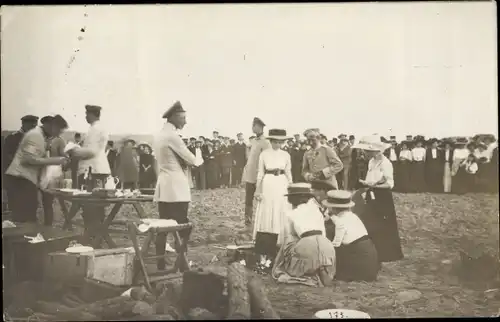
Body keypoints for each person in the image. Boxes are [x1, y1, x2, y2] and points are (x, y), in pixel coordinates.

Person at [153, 101, 203, 270]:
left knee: (163, 226)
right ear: (174, 117)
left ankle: (160, 262)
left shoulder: (159, 134)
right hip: (176, 187)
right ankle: (181, 262)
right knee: (182, 226)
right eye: (183, 118)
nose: (185, 121)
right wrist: (198, 152)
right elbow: (194, 161)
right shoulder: (172, 136)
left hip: (164, 186)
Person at [5, 115, 69, 223]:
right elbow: (29, 159)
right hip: (20, 180)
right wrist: (56, 160)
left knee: (27, 216)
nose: (58, 134)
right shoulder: (36, 136)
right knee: (25, 218)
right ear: (51, 126)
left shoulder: (41, 136)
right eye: (58, 130)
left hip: (24, 180)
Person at [272, 183, 336, 287]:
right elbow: (323, 234)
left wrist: (277, 262)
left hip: (307, 245)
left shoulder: (290, 214)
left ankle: (307, 272)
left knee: (290, 241)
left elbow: (282, 242)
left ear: (291, 199)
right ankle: (320, 268)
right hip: (327, 246)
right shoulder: (317, 211)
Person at [352, 135, 404, 263]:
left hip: (382, 196)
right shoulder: (371, 162)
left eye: (366, 151)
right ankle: (374, 251)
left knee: (383, 223)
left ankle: (387, 253)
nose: (364, 153)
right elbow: (371, 178)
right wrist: (368, 184)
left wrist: (373, 185)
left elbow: (390, 184)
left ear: (375, 150)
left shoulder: (386, 163)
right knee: (370, 221)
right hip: (371, 194)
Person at [323, 190, 379, 282]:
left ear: (333, 208)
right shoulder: (352, 216)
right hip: (369, 252)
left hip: (358, 257)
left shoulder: (339, 222)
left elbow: (336, 244)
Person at [253, 129, 293, 247]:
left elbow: (288, 171)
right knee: (268, 206)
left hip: (282, 182)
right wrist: (257, 189)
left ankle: (281, 237)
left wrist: (291, 184)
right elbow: (260, 172)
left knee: (281, 206)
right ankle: (267, 236)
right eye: (275, 141)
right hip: (268, 182)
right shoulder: (264, 154)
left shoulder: (286, 155)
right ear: (270, 141)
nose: (277, 144)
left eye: (280, 142)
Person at [242, 117, 271, 226]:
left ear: (259, 127)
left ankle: (263, 220)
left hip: (259, 176)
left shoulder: (265, 142)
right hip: (250, 175)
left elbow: (266, 161)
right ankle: (248, 220)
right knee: (248, 199)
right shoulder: (253, 141)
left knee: (261, 199)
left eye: (254, 126)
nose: (252, 128)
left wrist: (262, 175)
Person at [39, 115, 67, 227]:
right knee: (46, 201)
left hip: (54, 172)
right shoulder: (45, 139)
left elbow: (64, 157)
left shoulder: (59, 141)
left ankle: (66, 222)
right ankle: (48, 223)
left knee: (59, 200)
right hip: (44, 171)